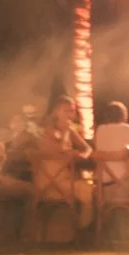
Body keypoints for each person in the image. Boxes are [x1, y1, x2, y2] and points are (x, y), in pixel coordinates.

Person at [26, 96, 93, 241]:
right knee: (87, 191)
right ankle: (83, 232)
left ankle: (83, 230)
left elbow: (88, 149)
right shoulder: (45, 130)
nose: (70, 115)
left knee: (91, 190)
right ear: (56, 112)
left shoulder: (70, 131)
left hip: (65, 180)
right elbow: (51, 150)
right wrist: (67, 149)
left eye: (72, 111)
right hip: (48, 183)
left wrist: (81, 155)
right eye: (66, 111)